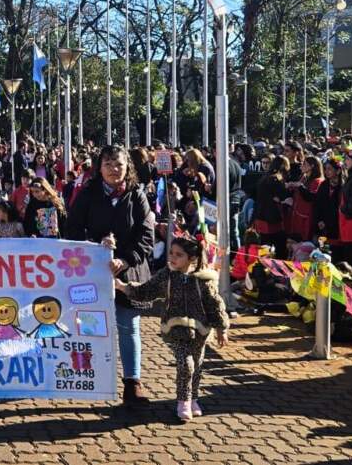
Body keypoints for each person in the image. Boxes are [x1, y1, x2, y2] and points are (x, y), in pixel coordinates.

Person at [64, 145, 156, 405]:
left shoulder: (137, 195)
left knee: (129, 326)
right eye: (108, 164)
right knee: (91, 325)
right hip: (93, 273)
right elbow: (72, 229)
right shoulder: (87, 194)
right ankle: (92, 379)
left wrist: (125, 260)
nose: (115, 169)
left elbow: (146, 236)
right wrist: (95, 247)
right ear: (99, 167)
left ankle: (132, 383)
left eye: (119, 164)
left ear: (128, 167)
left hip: (128, 272)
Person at [113, 235, 230, 421]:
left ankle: (193, 399)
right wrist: (124, 287)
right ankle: (183, 402)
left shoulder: (203, 280)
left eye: (179, 255)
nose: (172, 258)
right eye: (171, 253)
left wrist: (221, 328)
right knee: (186, 364)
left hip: (200, 331)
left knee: (197, 366)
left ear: (192, 258)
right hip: (174, 329)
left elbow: (215, 304)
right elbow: (147, 291)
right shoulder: (167, 275)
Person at [252, 156, 290, 257]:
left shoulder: (265, 177)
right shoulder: (275, 179)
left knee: (265, 247)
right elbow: (282, 196)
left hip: (261, 215)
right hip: (272, 218)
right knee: (279, 247)